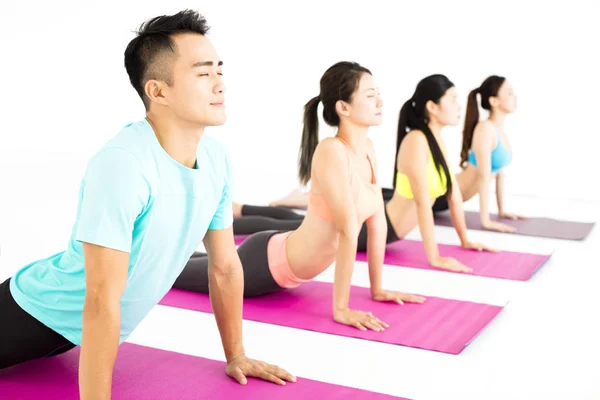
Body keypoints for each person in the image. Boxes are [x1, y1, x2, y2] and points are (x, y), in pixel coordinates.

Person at [0, 10, 294, 398]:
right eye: (203, 73)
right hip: (35, 313)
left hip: (78, 334)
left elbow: (224, 267)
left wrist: (236, 354)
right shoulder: (124, 164)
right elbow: (102, 300)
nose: (220, 83)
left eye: (219, 70)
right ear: (158, 91)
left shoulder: (217, 159)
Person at [175, 61, 426, 332]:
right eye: (369, 94)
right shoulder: (332, 151)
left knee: (182, 258)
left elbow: (377, 224)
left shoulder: (367, 149)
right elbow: (348, 231)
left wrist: (378, 290)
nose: (380, 100)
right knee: (171, 270)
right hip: (266, 265)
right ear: (343, 107)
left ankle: (167, 235)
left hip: (280, 255)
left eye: (378, 92)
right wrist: (341, 309)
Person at [386, 74, 495, 272]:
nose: (458, 106)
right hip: (379, 229)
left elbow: (454, 196)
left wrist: (465, 240)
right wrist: (435, 258)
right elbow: (422, 203)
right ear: (432, 107)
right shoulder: (417, 140)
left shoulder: (436, 141)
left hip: (391, 227)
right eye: (452, 100)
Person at [430, 75, 526, 232]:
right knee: (394, 200)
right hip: (441, 193)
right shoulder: (485, 129)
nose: (514, 96)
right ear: (494, 101)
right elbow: (483, 176)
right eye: (509, 92)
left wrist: (502, 211)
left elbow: (498, 174)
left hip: (452, 198)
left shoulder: (500, 133)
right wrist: (485, 221)